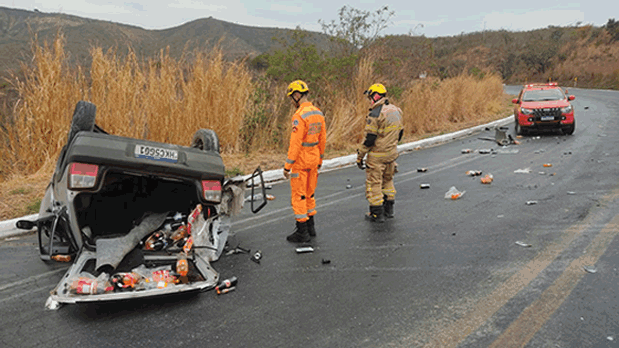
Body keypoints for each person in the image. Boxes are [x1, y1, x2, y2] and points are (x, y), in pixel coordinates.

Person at [282, 80, 326, 243]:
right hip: (314, 159)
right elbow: (323, 139)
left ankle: (302, 232)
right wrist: (320, 158)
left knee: (299, 196)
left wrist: (288, 166)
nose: (291, 101)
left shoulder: (299, 116)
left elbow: (295, 143)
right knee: (309, 194)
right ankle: (311, 227)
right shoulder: (318, 113)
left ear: (296, 95)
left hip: (300, 162)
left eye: (291, 98)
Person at [356, 83, 404, 223]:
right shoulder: (396, 110)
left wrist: (360, 156)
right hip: (391, 153)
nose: (369, 100)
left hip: (377, 156)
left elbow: (369, 138)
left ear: (375, 96)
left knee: (374, 184)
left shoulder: (375, 113)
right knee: (388, 180)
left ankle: (377, 214)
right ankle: (389, 210)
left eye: (370, 97)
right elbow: (400, 133)